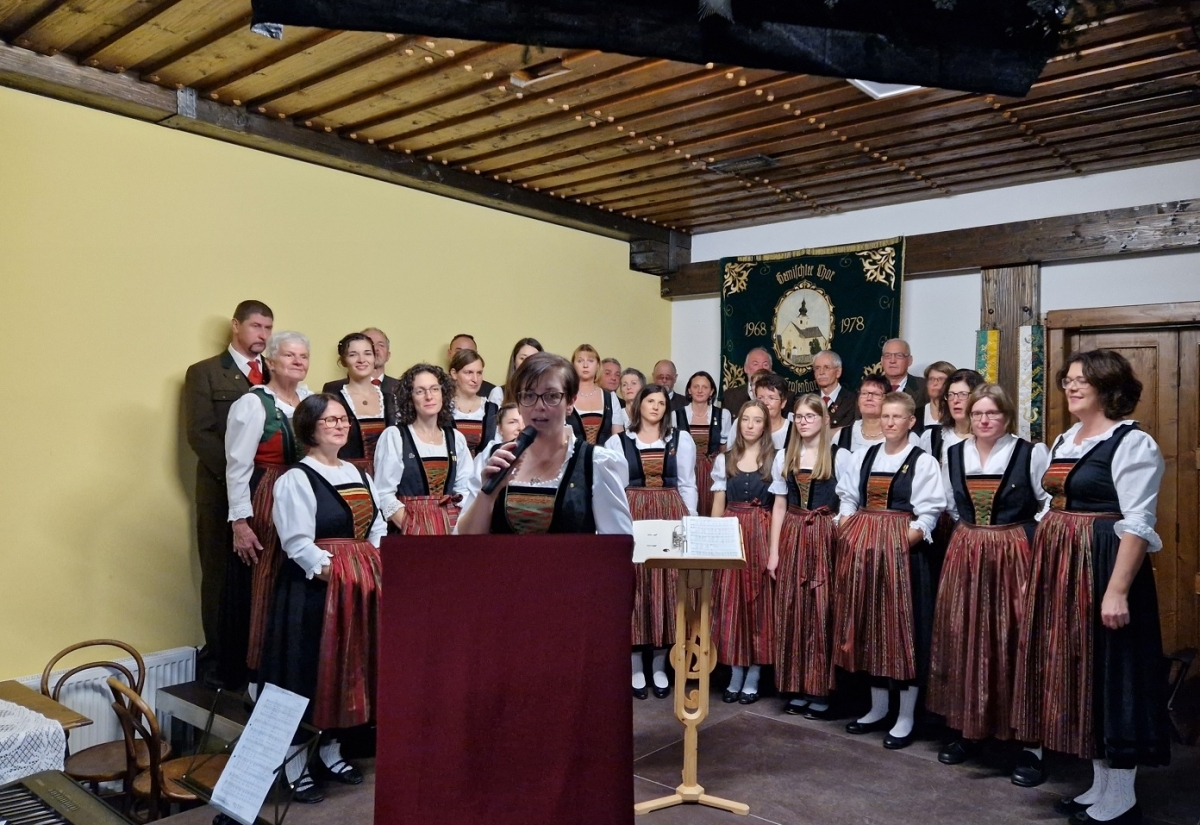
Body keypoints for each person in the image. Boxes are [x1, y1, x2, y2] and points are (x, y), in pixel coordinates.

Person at [1012, 350, 1169, 822]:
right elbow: (1051, 507)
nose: (1072, 386)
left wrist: (1116, 590)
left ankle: (1121, 796)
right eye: (1068, 380)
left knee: (1112, 670)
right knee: (1084, 672)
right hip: (1063, 569)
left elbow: (1137, 523)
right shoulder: (1067, 439)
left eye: (1082, 380)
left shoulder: (1133, 443)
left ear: (1108, 387)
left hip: (1102, 566)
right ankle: (1099, 786)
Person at [263, 394, 386, 803]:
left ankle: (332, 751)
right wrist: (341, 577)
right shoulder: (296, 479)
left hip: (359, 590)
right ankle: (295, 764)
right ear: (309, 428)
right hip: (315, 594)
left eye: (343, 419)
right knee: (308, 673)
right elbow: (298, 544)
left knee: (348, 672)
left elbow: (376, 527)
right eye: (330, 420)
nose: (340, 425)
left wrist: (371, 570)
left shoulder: (357, 472)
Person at [926, 384, 1050, 776]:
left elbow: (1049, 502)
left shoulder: (1030, 453)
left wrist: (1021, 538)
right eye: (977, 413)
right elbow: (950, 504)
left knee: (1014, 640)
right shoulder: (954, 453)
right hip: (966, 553)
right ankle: (970, 729)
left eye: (992, 413)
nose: (983, 420)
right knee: (965, 637)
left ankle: (1030, 744)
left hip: (1014, 555)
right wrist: (974, 536)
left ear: (1007, 417)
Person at [833, 392, 944, 750]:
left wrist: (894, 546)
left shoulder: (923, 462)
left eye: (897, 417)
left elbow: (928, 515)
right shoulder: (864, 456)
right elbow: (848, 500)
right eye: (885, 416)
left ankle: (906, 716)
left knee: (903, 631)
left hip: (904, 558)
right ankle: (878, 708)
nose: (890, 422)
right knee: (871, 627)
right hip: (865, 555)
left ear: (911, 421)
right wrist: (851, 534)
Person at [184, 300, 273, 686]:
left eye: (268, 328)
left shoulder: (274, 372)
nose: (262, 334)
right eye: (256, 326)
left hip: (270, 493)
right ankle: (221, 663)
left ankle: (255, 660)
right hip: (221, 492)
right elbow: (200, 434)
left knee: (262, 576)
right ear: (236, 326)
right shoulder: (205, 373)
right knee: (221, 579)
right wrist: (242, 479)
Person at [455, 352, 632, 536]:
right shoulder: (494, 458)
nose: (539, 406)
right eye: (529, 395)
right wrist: (487, 495)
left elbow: (617, 545)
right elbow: (466, 543)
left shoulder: (596, 463)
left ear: (571, 402)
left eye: (552, 396)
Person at [222, 330, 313, 688]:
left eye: (303, 356)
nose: (298, 362)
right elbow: (237, 466)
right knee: (266, 580)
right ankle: (257, 674)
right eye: (290, 355)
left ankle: (293, 669)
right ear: (271, 361)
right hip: (267, 496)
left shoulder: (310, 401)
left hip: (306, 494)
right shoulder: (253, 404)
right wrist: (240, 522)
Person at [606, 385, 698, 700]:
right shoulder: (618, 442)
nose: (656, 407)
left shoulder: (680, 440)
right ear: (639, 405)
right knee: (637, 586)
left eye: (661, 402)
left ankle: (659, 666)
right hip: (633, 515)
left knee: (666, 586)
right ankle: (635, 666)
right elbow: (614, 488)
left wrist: (689, 522)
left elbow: (687, 484)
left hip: (670, 513)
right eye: (650, 401)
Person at [772, 394, 851, 719]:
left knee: (820, 609)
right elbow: (779, 505)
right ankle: (796, 686)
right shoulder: (785, 456)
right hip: (793, 532)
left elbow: (848, 503)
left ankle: (819, 689)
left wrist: (836, 534)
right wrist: (773, 552)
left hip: (823, 533)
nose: (803, 422)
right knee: (793, 608)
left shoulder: (840, 456)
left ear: (824, 419)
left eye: (810, 416)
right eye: (799, 417)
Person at [710, 401, 787, 705]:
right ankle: (735, 671)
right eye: (746, 419)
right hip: (731, 530)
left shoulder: (776, 459)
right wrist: (713, 539)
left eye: (757, 420)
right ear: (739, 423)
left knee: (758, 604)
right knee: (732, 603)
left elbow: (779, 505)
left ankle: (754, 674)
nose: (750, 425)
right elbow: (718, 502)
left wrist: (773, 549)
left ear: (765, 425)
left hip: (760, 531)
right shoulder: (725, 459)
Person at [374, 364, 477, 535]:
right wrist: (415, 530)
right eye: (420, 391)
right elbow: (384, 494)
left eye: (435, 389)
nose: (429, 396)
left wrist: (454, 528)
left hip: (450, 529)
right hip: (409, 531)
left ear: (443, 393)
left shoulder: (455, 438)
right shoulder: (395, 436)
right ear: (410, 397)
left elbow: (465, 491)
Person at [328, 333, 396, 475]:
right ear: (344, 361)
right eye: (353, 355)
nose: (361, 360)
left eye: (367, 353)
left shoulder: (391, 400)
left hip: (388, 477)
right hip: (347, 476)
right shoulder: (334, 401)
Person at [676, 370, 731, 519]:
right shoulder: (676, 415)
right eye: (696, 386)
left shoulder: (723, 415)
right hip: (686, 470)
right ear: (689, 390)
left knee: (711, 508)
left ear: (711, 391)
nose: (700, 391)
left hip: (712, 471)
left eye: (705, 387)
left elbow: (723, 449)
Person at [834, 375, 919, 452]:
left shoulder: (906, 437)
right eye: (864, 393)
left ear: (887, 400)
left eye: (876, 394)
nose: (869, 398)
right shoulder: (842, 435)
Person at [919, 369, 984, 466]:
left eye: (963, 394)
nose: (955, 400)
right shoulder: (933, 437)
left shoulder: (988, 437)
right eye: (951, 395)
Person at [568, 344, 625, 445]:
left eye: (590, 361)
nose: (585, 365)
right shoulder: (565, 397)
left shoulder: (610, 398)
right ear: (573, 365)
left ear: (598, 365)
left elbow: (618, 440)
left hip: (606, 454)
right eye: (580, 361)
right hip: (572, 454)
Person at [448, 349, 498, 458]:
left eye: (479, 373)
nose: (475, 379)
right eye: (469, 372)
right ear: (454, 373)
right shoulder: (442, 409)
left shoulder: (490, 409)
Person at [880, 339, 929, 432]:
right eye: (888, 356)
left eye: (899, 355)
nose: (892, 361)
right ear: (882, 361)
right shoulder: (871, 388)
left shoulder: (924, 387)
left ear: (910, 360)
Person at [474, 403, 523, 481]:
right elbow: (475, 486)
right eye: (512, 422)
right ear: (500, 428)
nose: (521, 428)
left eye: (525, 422)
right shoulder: (487, 454)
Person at [489, 337, 544, 405]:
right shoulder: (499, 393)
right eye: (522, 358)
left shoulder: (546, 393)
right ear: (514, 361)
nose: (527, 363)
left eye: (533, 359)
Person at [812, 350, 856, 431]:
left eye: (827, 367)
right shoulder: (809, 401)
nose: (821, 372)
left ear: (838, 372)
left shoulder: (852, 401)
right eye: (817, 368)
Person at [721, 347, 774, 415]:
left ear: (770, 369)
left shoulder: (781, 397)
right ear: (745, 368)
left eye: (765, 364)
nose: (761, 368)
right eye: (755, 364)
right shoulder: (731, 396)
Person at [448, 333, 498, 400]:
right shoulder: (439, 389)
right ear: (449, 353)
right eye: (459, 352)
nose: (464, 356)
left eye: (479, 373)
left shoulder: (491, 392)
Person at [755, 372, 792, 450]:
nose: (765, 403)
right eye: (760, 398)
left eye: (771, 398)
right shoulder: (747, 426)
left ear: (783, 403)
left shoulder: (793, 430)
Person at [921, 361, 956, 433]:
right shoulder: (916, 414)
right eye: (931, 379)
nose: (935, 383)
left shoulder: (957, 414)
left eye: (941, 379)